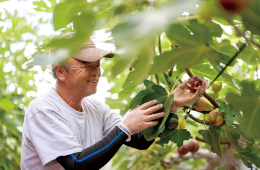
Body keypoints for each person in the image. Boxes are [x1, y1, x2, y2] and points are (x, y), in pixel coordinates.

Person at [21, 32, 208, 170]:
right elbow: (76, 164)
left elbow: (140, 141)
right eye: (87, 65)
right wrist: (124, 128)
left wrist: (172, 105)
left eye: (98, 65)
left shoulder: (96, 108)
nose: (96, 72)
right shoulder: (44, 110)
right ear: (60, 71)